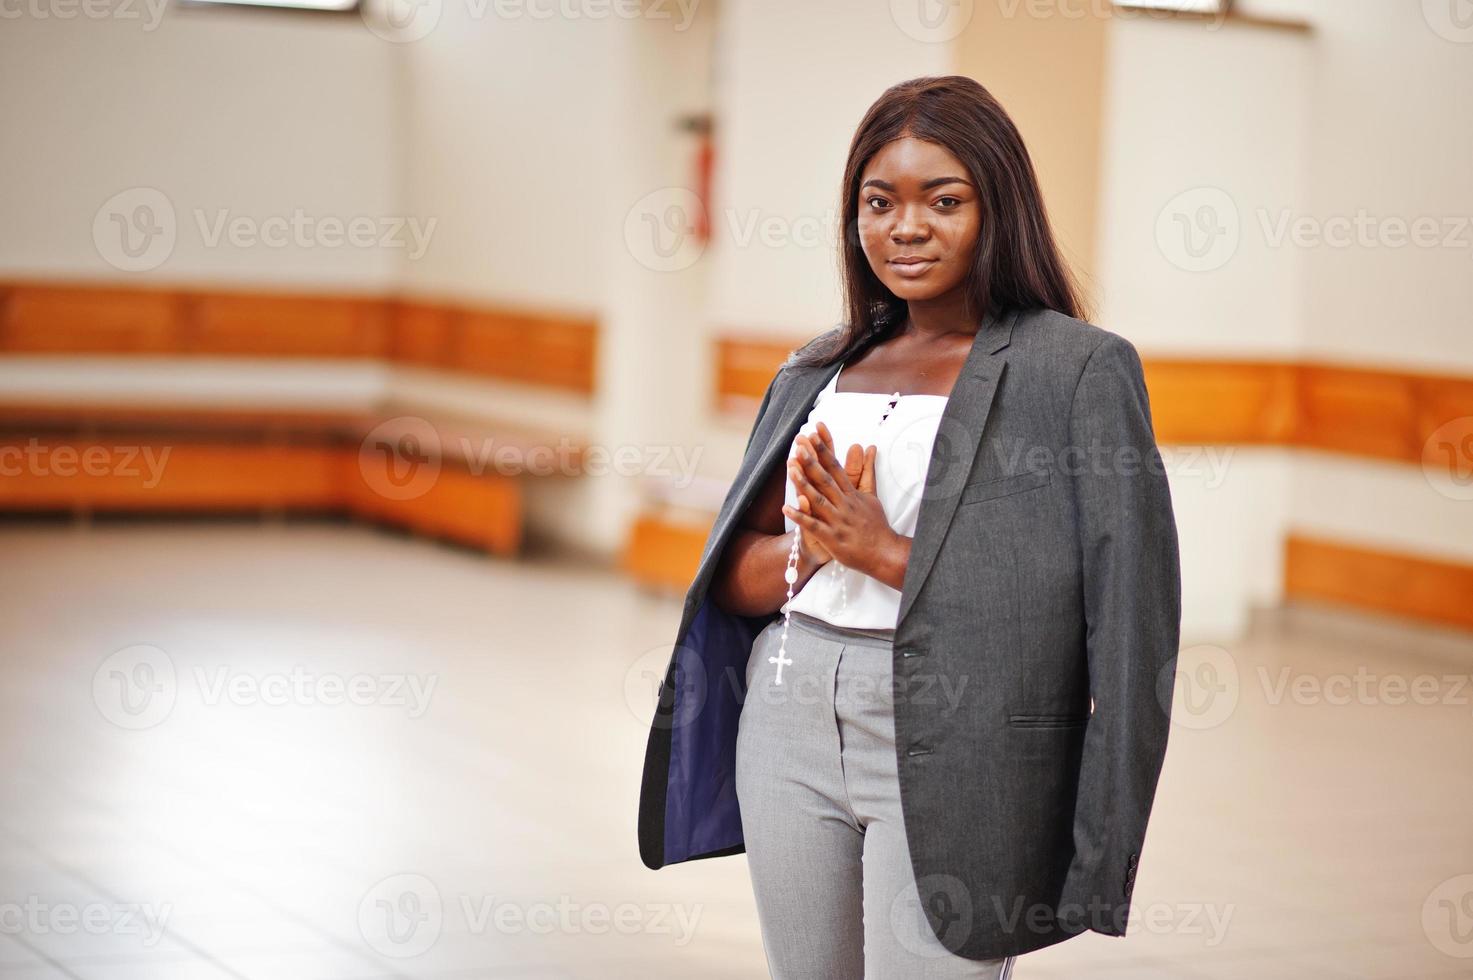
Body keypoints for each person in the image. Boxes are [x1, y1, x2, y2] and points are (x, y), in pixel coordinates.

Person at [638, 75, 1182, 979]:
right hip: (789, 715)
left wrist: (884, 551)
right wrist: (805, 552)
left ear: (996, 206)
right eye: (878, 201)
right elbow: (731, 577)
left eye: (944, 200)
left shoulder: (1075, 370)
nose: (907, 227)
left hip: (957, 728)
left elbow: (1128, 619)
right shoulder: (816, 369)